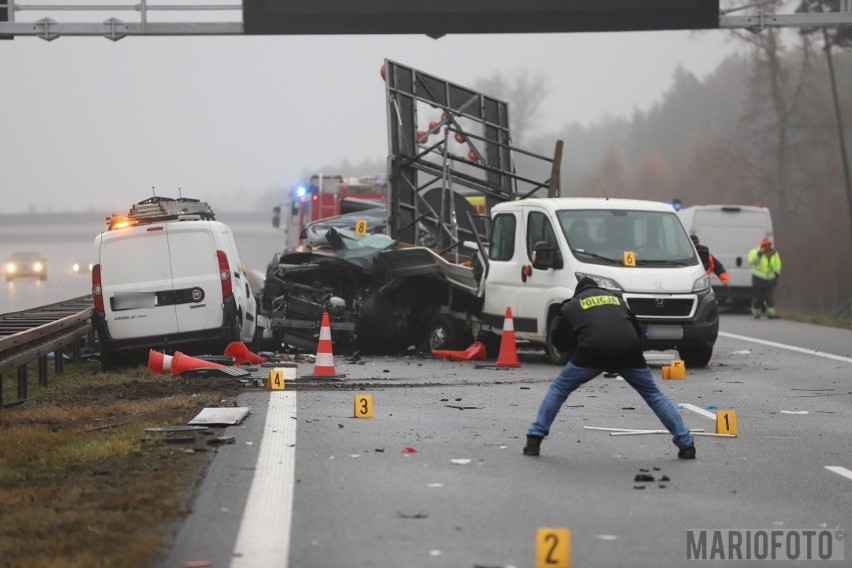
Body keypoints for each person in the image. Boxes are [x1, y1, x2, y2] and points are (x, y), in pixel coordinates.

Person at [523, 277, 696, 459]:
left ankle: (534, 440)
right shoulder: (617, 301)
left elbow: (558, 340)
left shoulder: (572, 305)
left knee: (558, 390)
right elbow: (636, 331)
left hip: (592, 351)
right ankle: (686, 445)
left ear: (578, 291)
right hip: (629, 352)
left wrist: (575, 350)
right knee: (654, 395)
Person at [747, 237, 782, 319]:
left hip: (771, 279)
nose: (767, 247)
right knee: (758, 297)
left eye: (769, 245)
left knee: (769, 297)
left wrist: (777, 273)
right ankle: (756, 313)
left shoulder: (774, 253)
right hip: (758, 278)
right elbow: (752, 262)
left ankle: (771, 313)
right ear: (762, 246)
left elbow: (778, 264)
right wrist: (759, 255)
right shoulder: (754, 252)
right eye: (766, 245)